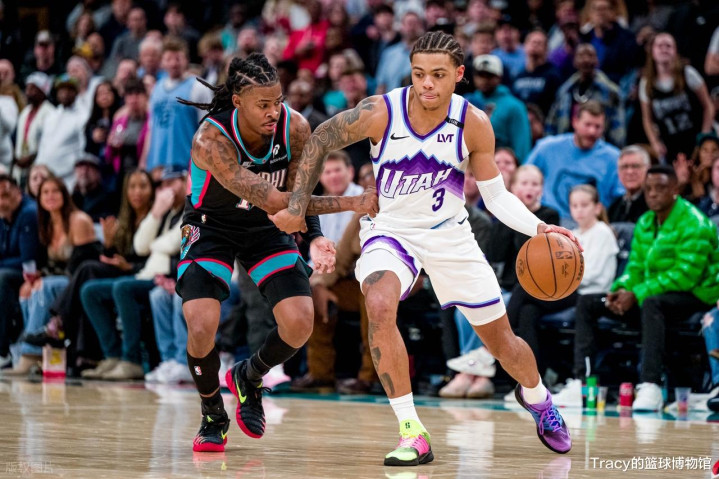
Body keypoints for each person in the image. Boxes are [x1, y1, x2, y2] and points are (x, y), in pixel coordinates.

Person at [272, 31, 577, 465]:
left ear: (459, 74)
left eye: (437, 74)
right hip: (391, 231)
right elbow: (321, 137)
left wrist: (539, 227)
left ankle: (537, 397)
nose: (427, 83)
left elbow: (495, 196)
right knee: (379, 303)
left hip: (449, 234)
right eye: (419, 74)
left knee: (504, 343)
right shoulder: (382, 111)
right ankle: (412, 431)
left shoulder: (473, 122)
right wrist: (298, 204)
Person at [174, 53, 378, 453]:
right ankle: (213, 411)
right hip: (212, 225)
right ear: (238, 102)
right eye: (263, 104)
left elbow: (299, 192)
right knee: (200, 323)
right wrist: (353, 203)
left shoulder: (295, 127)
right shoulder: (211, 140)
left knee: (300, 322)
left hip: (264, 228)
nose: (273, 112)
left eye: (278, 101)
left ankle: (249, 376)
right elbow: (275, 200)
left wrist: (314, 236)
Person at [555, 165, 719, 411]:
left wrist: (637, 293)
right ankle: (583, 383)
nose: (652, 194)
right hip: (651, 294)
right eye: (648, 188)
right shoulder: (645, 222)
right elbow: (635, 267)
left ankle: (650, 385)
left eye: (660, 188)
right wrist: (621, 289)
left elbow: (685, 276)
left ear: (675, 189)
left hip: (695, 295)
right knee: (589, 302)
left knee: (653, 303)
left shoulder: (695, 223)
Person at [526, 100, 623, 223]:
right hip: (548, 222)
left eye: (597, 126)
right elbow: (523, 177)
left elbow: (621, 197)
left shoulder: (614, 158)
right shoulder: (546, 148)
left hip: (591, 225)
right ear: (575, 122)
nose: (592, 131)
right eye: (587, 125)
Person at [639, 33, 715, 162]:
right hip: (670, 145)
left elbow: (708, 106)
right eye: (660, 46)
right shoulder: (646, 83)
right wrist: (655, 142)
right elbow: (647, 119)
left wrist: (704, 134)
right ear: (652, 52)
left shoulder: (688, 73)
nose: (664, 49)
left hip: (696, 138)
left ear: (675, 51)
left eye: (668, 46)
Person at [0, 175, 39, 368]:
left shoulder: (29, 213)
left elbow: (28, 259)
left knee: (2, 279)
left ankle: (3, 350)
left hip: (35, 273)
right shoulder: (3, 216)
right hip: (12, 270)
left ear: (18, 192)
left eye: (5, 195)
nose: (1, 201)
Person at [607, 145, 650, 224]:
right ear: (618, 171)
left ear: (648, 169)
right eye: (624, 167)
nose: (629, 172)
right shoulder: (614, 206)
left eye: (635, 166)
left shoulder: (654, 203)